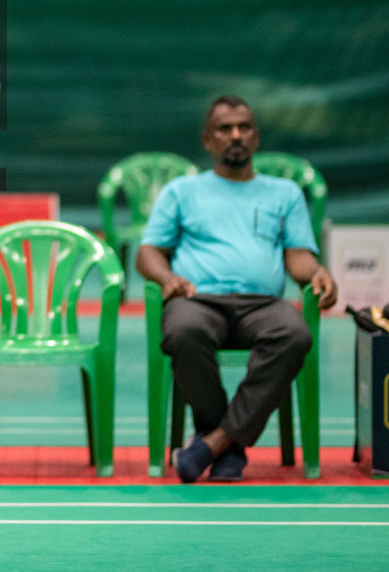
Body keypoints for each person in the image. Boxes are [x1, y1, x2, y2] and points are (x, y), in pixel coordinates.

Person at [135, 95, 337, 482]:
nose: (236, 135)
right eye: (225, 129)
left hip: (262, 304)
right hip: (198, 300)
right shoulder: (182, 192)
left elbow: (298, 258)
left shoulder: (284, 193)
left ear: (256, 138)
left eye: (244, 127)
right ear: (208, 140)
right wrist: (166, 278)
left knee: (294, 334)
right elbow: (148, 253)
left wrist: (317, 274)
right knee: (182, 331)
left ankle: (212, 445)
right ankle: (229, 448)